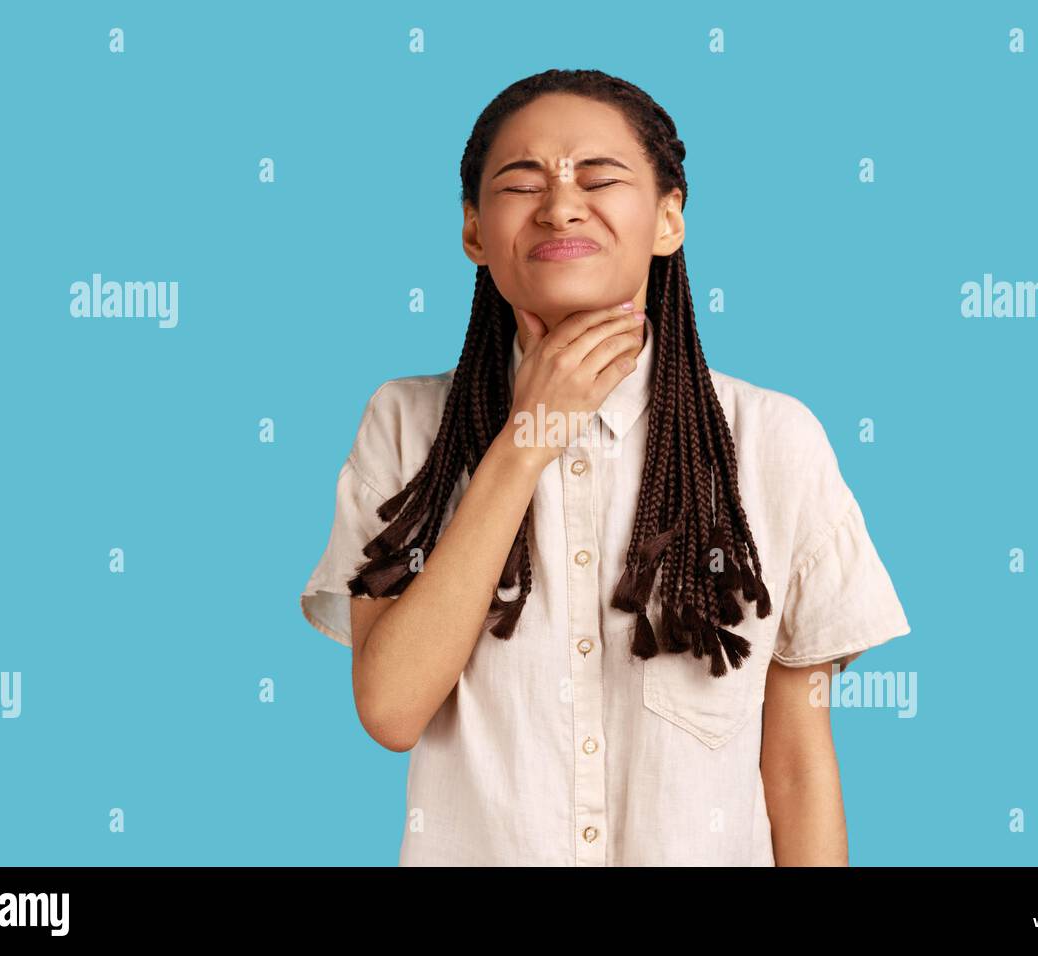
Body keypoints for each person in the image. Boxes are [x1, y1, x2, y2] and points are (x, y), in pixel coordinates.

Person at [299, 68, 911, 866]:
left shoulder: (773, 440)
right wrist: (526, 439)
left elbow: (796, 767)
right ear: (475, 233)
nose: (560, 204)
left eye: (599, 178)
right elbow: (390, 709)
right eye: (521, 184)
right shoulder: (406, 425)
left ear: (668, 219)